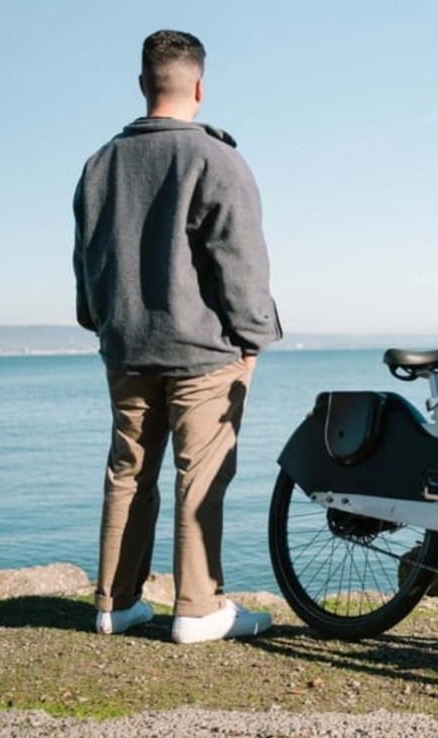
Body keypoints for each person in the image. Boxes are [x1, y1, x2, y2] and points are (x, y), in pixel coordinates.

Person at [73, 29, 282, 644]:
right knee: (201, 474)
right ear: (199, 88)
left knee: (128, 472)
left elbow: (87, 260)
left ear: (143, 84)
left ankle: (115, 604)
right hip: (204, 352)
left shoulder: (99, 164)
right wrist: (252, 340)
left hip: (126, 346)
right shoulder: (217, 159)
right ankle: (197, 608)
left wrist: (100, 321)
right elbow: (240, 264)